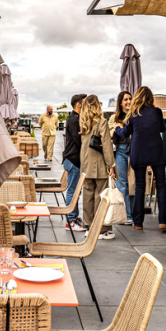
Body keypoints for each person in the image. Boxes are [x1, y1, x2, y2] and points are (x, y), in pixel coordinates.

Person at [120, 86, 166, 232]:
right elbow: (163, 129)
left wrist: (117, 128)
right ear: (150, 98)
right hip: (156, 152)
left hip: (139, 152)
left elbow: (124, 133)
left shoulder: (134, 114)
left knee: (140, 187)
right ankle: (163, 221)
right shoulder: (157, 111)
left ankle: (138, 222)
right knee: (160, 186)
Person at [79, 94, 116, 240]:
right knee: (101, 196)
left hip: (86, 164)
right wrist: (111, 165)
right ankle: (100, 229)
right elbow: (107, 145)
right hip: (99, 165)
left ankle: (88, 226)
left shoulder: (83, 123)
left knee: (88, 196)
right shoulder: (102, 122)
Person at [62, 93, 87, 231]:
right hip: (73, 160)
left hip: (73, 160)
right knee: (72, 191)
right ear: (79, 104)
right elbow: (79, 141)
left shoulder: (75, 118)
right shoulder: (73, 120)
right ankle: (70, 221)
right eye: (85, 103)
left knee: (76, 191)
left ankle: (74, 217)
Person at [110, 91, 134, 226]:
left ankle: (134, 214)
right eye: (125, 99)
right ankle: (126, 215)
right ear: (120, 102)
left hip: (134, 151)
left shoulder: (135, 116)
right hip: (120, 151)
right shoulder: (115, 117)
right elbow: (110, 135)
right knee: (122, 184)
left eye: (130, 99)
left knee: (134, 184)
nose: (128, 102)